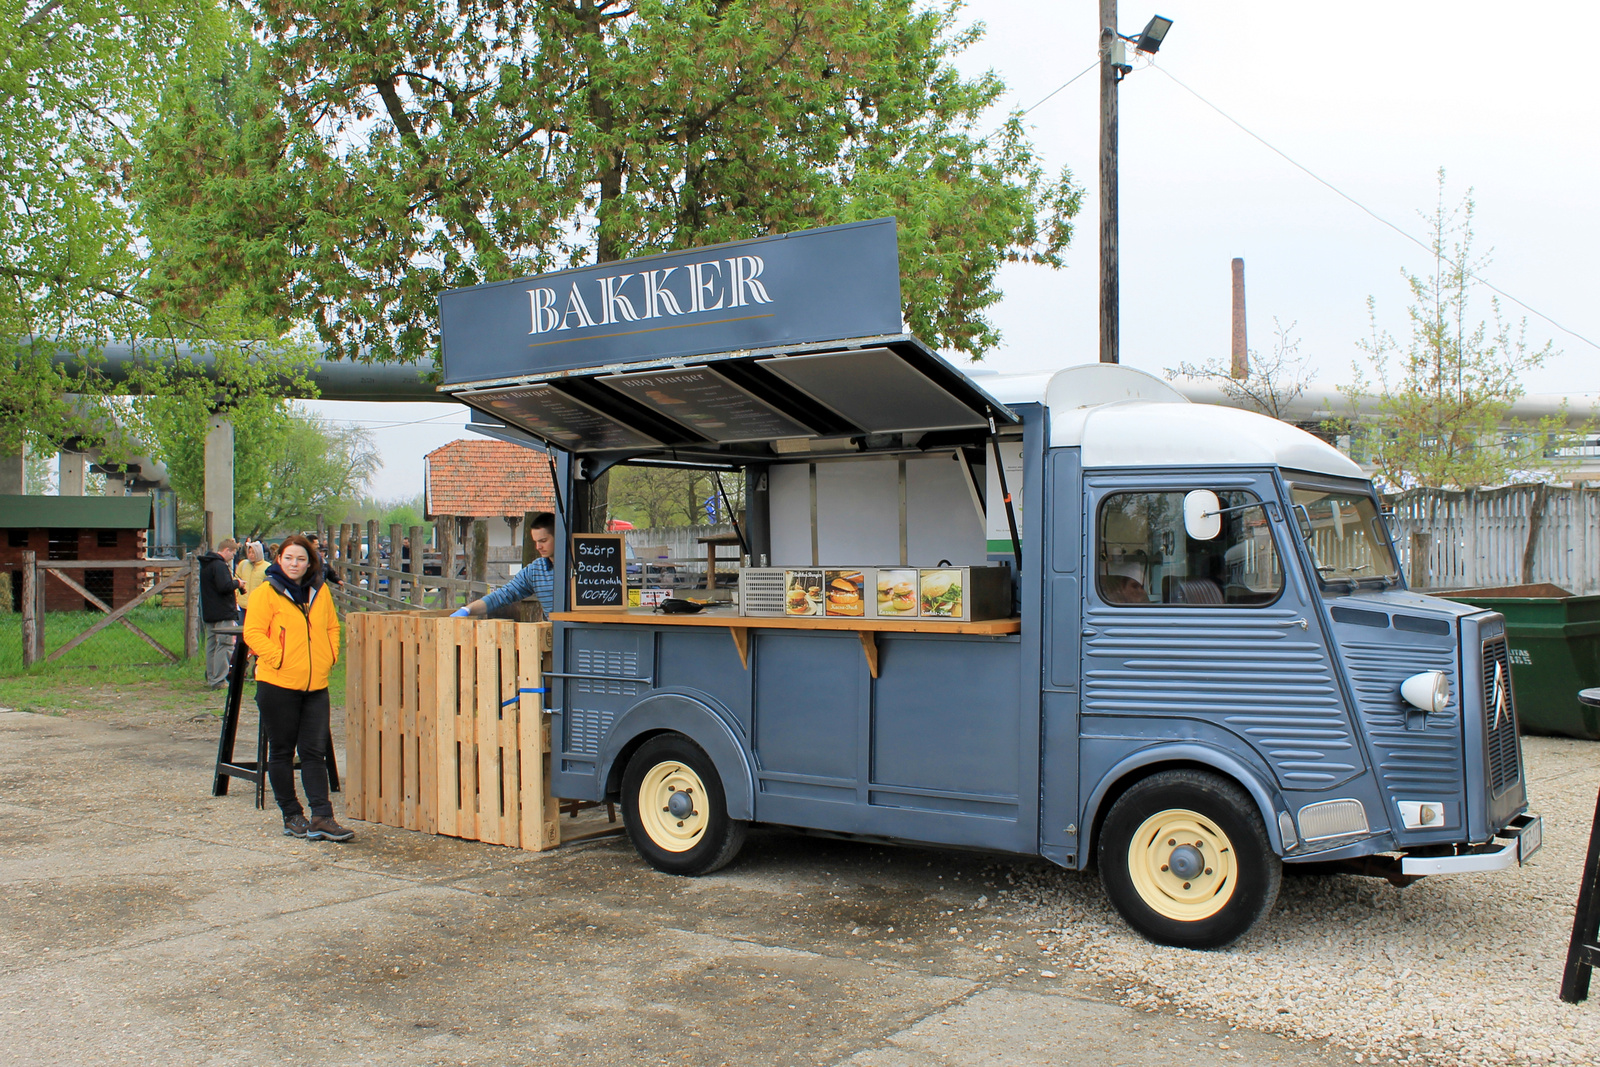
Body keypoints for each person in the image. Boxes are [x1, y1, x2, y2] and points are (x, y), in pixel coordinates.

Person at [242, 534, 354, 842]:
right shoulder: (267, 592)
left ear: (310, 562)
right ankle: (292, 815)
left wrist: (329, 655)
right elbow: (253, 632)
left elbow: (332, 626)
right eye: (289, 558)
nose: (295, 564)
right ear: (279, 560)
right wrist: (277, 657)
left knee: (314, 751)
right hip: (277, 683)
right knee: (281, 750)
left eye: (301, 559)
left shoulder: (319, 591)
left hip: (315, 683)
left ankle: (323, 816)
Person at [452, 511, 556, 619]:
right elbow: (502, 596)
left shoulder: (574, 567)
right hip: (556, 634)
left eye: (543, 541)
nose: (538, 547)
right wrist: (467, 609)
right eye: (536, 542)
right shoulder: (535, 571)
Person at [198, 538, 244, 688]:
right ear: (226, 550)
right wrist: (238, 583)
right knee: (225, 644)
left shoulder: (206, 564)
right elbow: (224, 586)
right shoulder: (219, 565)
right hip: (223, 611)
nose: (233, 556)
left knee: (212, 645)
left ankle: (211, 676)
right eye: (233, 552)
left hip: (210, 611)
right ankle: (219, 679)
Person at [234, 541, 269, 618]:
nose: (251, 555)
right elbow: (236, 580)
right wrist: (236, 599)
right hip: (242, 606)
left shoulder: (267, 567)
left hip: (258, 607)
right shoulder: (243, 564)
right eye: (249, 552)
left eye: (253, 552)